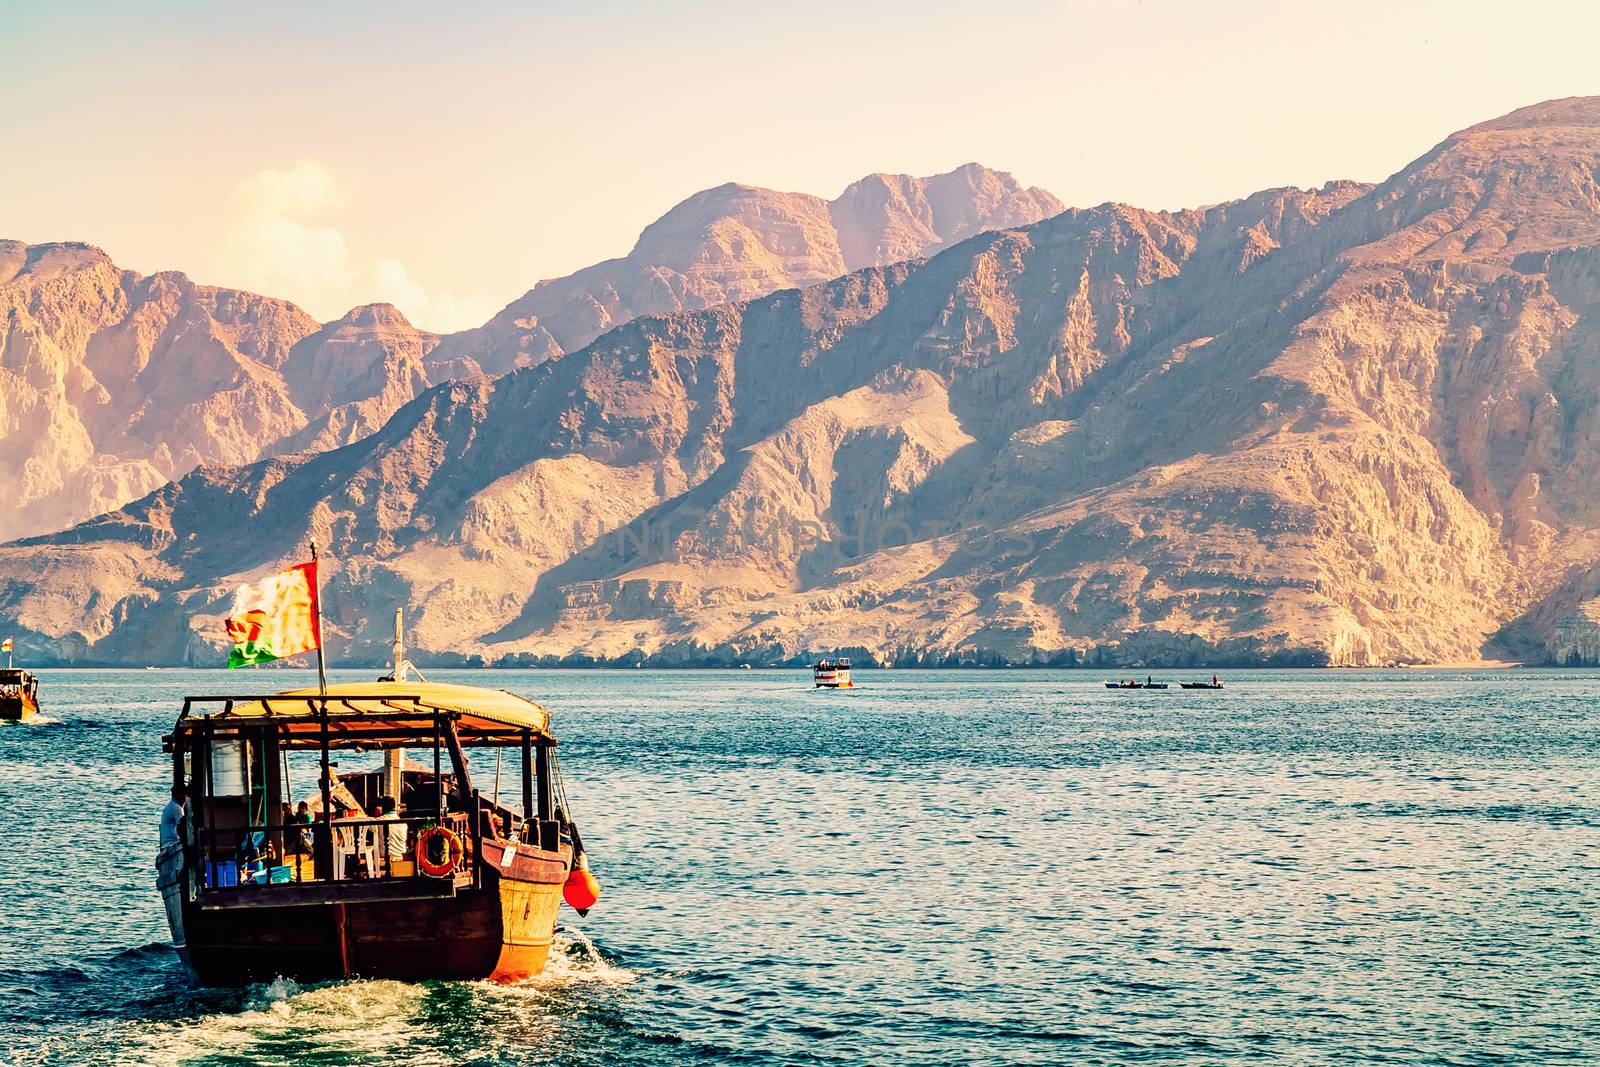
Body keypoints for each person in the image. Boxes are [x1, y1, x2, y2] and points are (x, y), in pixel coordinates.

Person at [377, 795, 407, 873]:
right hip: (401, 854)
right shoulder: (404, 823)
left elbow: (368, 829)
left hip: (385, 855)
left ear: (383, 808)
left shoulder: (378, 821)